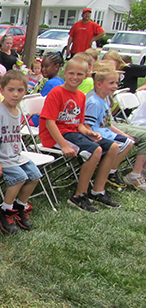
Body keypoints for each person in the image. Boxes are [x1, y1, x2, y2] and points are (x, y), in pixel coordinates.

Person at [39, 57, 120, 212]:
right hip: (56, 136)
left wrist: (89, 132)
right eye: (71, 73)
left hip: (74, 132)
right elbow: (50, 123)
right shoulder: (57, 92)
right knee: (94, 150)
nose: (75, 77)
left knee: (113, 147)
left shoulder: (81, 96)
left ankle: (97, 191)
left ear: (86, 75)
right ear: (64, 73)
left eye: (79, 74)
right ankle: (79, 195)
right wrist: (63, 145)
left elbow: (79, 124)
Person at [0, 70, 42, 233]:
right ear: (2, 91)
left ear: (25, 91)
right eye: (11, 90)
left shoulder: (18, 110)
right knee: (19, 177)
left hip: (13, 155)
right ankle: (5, 210)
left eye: (20, 90)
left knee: (35, 174)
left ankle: (20, 206)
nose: (15, 94)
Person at [85, 66, 139, 189]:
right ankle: (109, 172)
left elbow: (108, 124)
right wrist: (92, 136)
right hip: (97, 135)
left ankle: (109, 170)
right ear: (99, 84)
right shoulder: (94, 102)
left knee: (128, 141)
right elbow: (87, 125)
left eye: (117, 83)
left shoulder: (105, 100)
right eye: (111, 83)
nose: (115, 86)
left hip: (106, 132)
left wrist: (123, 133)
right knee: (126, 143)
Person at [30, 52, 65, 126]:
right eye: (42, 67)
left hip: (39, 119)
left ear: (56, 66)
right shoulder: (60, 81)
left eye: (46, 66)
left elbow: (41, 105)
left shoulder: (51, 84)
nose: (43, 69)